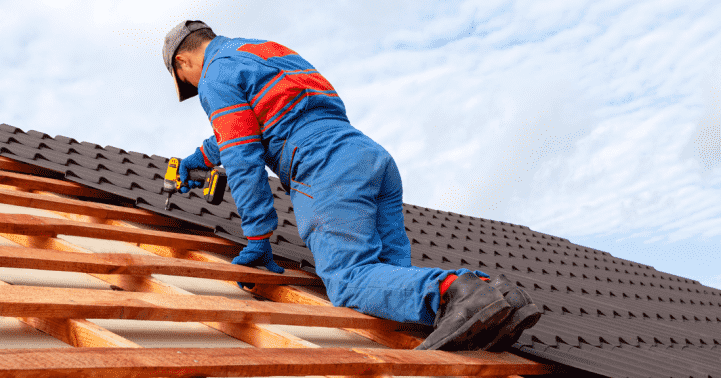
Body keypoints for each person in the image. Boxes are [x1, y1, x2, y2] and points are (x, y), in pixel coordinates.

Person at [161, 20, 541, 351]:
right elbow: (255, 124)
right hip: (366, 155)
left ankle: (461, 292)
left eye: (188, 82)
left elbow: (244, 159)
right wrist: (199, 159)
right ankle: (499, 295)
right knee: (390, 285)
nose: (197, 87)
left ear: (183, 63)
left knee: (348, 281)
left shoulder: (214, 76)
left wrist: (258, 239)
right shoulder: (261, 50)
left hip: (324, 165)